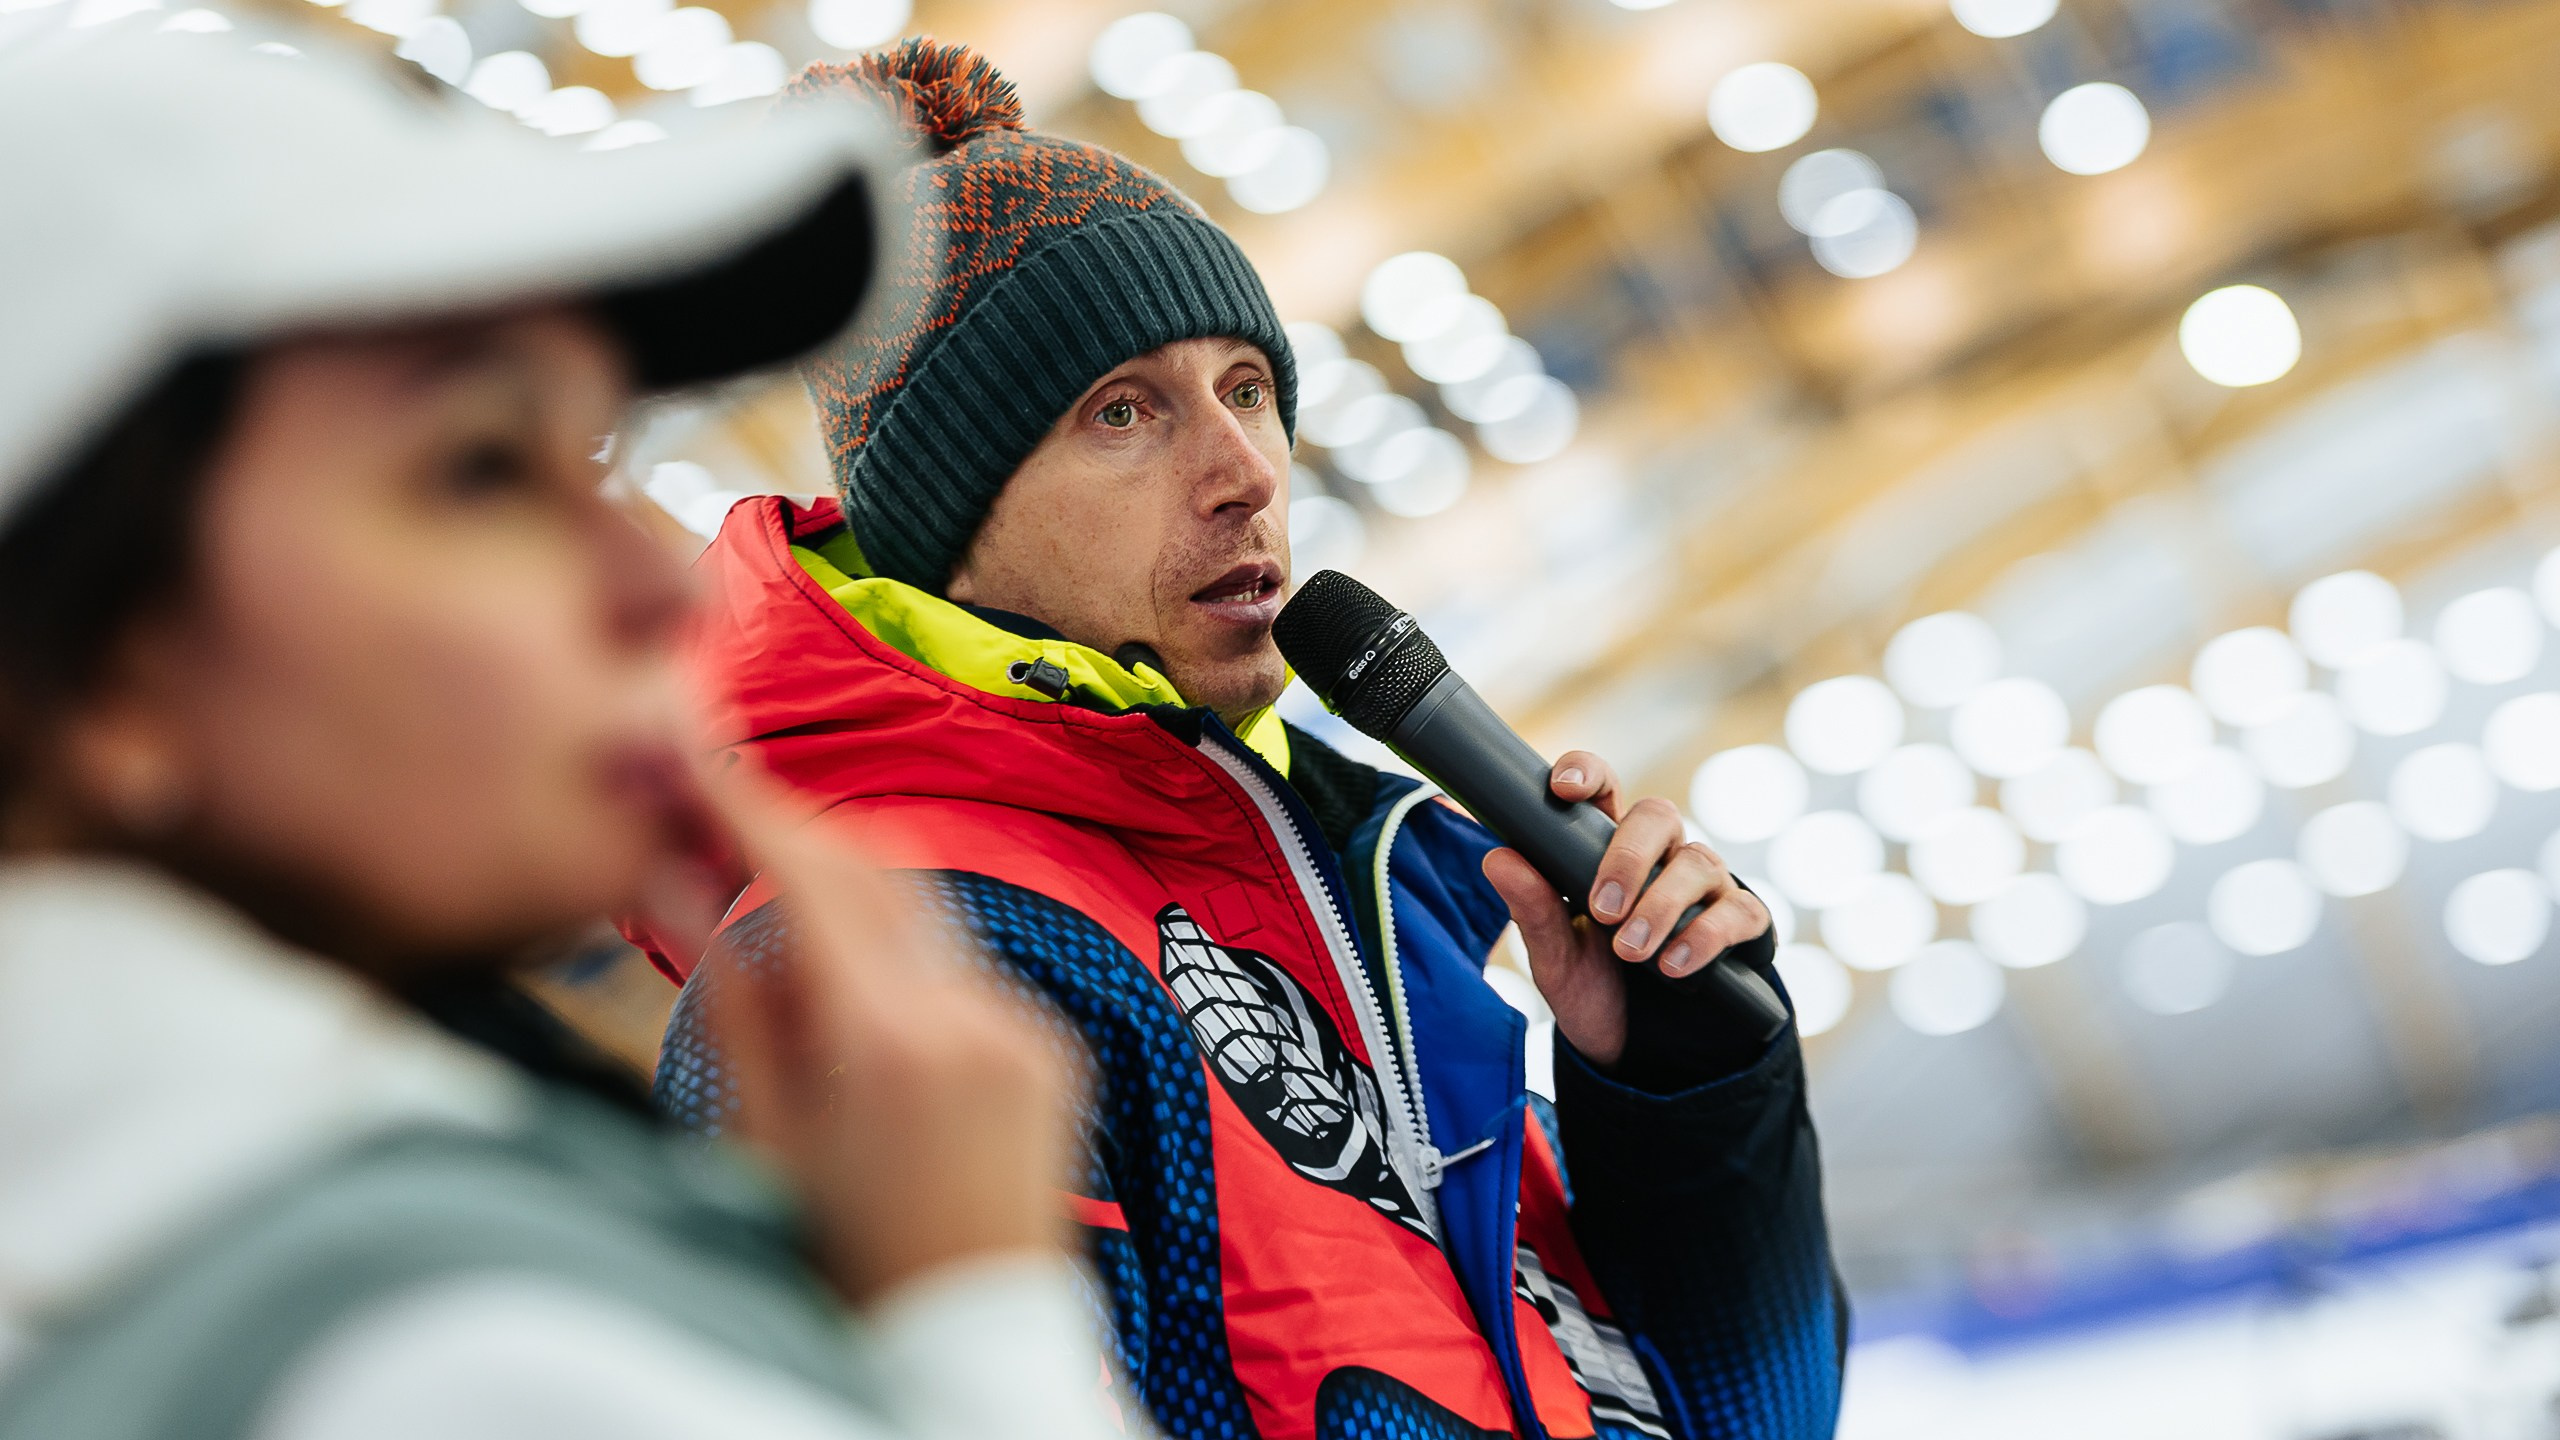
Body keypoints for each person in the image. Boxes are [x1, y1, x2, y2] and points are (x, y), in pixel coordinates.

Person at [647, 37, 1847, 1440]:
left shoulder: (1371, 902)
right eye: (1123, 413)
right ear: (947, 521)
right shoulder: (886, 965)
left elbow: (1757, 1418)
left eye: (1247, 390)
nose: (1244, 473)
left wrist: (1685, 1090)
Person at [0, 30, 1125, 1440]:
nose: (657, 579)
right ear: (103, 663)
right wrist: (970, 1306)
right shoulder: (437, 1349)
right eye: (481, 466)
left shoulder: (157, 1260)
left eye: (594, 457)